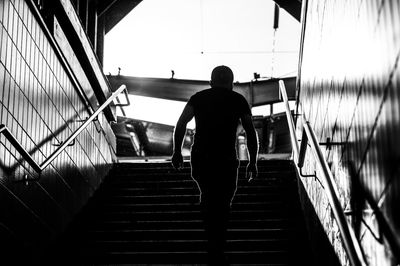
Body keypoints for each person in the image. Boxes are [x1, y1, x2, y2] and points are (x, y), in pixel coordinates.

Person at [171, 65, 258, 265]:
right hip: (226, 158)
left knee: (208, 196)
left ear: (211, 82)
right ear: (232, 83)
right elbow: (250, 131)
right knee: (223, 202)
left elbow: (181, 123)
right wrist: (252, 162)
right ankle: (218, 245)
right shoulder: (238, 100)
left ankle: (212, 241)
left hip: (202, 156)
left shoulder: (198, 98)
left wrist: (176, 151)